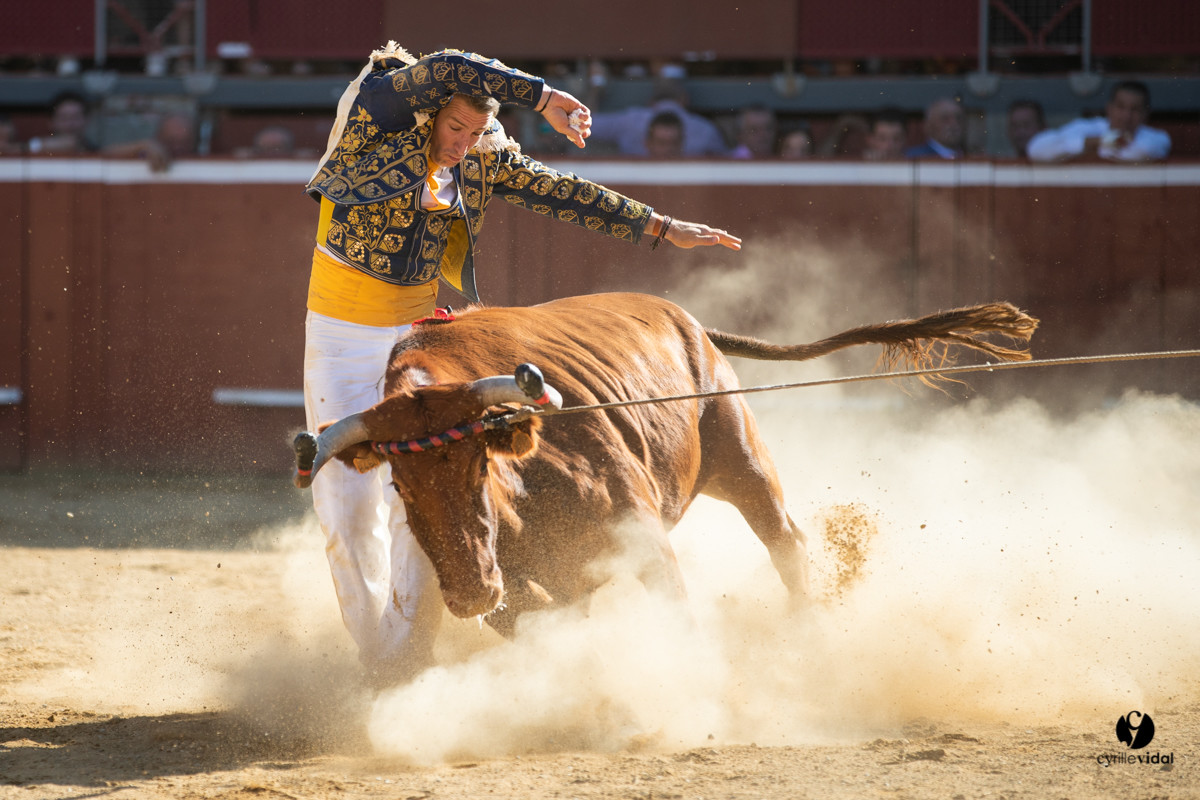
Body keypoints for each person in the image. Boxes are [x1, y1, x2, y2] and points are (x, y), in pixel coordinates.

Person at [302, 42, 741, 684]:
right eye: (455, 127)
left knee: (424, 488)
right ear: (430, 115)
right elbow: (453, 63)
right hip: (341, 331)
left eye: (478, 131)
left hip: (418, 338)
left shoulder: (482, 152)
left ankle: (405, 662)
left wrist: (657, 225)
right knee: (342, 505)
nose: (464, 142)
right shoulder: (383, 113)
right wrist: (545, 96)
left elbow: (556, 190)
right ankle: (375, 654)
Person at [1026, 81, 1170, 162]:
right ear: (1109, 108)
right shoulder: (1087, 128)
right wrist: (1092, 142)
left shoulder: (1156, 137)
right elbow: (1036, 148)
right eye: (1121, 107)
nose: (1127, 115)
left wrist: (1092, 146)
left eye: (1135, 109)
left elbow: (1143, 150)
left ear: (1146, 114)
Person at [589, 75, 729, 158]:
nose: (667, 151)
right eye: (662, 143)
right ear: (684, 99)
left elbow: (586, 124)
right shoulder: (705, 129)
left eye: (672, 143)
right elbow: (725, 164)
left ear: (651, 101)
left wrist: (595, 89)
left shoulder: (629, 120)